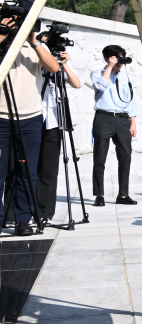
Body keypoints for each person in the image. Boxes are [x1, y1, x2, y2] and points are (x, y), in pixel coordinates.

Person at [0, 14, 61, 235]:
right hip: (1, 117)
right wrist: (2, 35)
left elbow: (54, 68)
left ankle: (22, 220)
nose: (17, 25)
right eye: (13, 20)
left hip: (30, 118)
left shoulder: (35, 47)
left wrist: (33, 41)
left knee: (26, 172)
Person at [35, 45, 80, 228]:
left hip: (54, 122)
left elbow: (76, 83)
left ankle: (44, 211)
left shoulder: (60, 68)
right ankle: (17, 212)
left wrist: (64, 64)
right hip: (33, 118)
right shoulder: (36, 64)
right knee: (24, 166)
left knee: (49, 169)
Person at [91, 44, 138, 207]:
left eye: (121, 57)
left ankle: (123, 194)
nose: (120, 61)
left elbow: (130, 101)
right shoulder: (97, 73)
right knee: (99, 158)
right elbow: (100, 86)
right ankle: (99, 194)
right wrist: (110, 67)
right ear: (107, 58)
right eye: (117, 57)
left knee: (126, 157)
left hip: (123, 120)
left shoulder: (125, 77)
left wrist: (133, 122)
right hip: (104, 118)